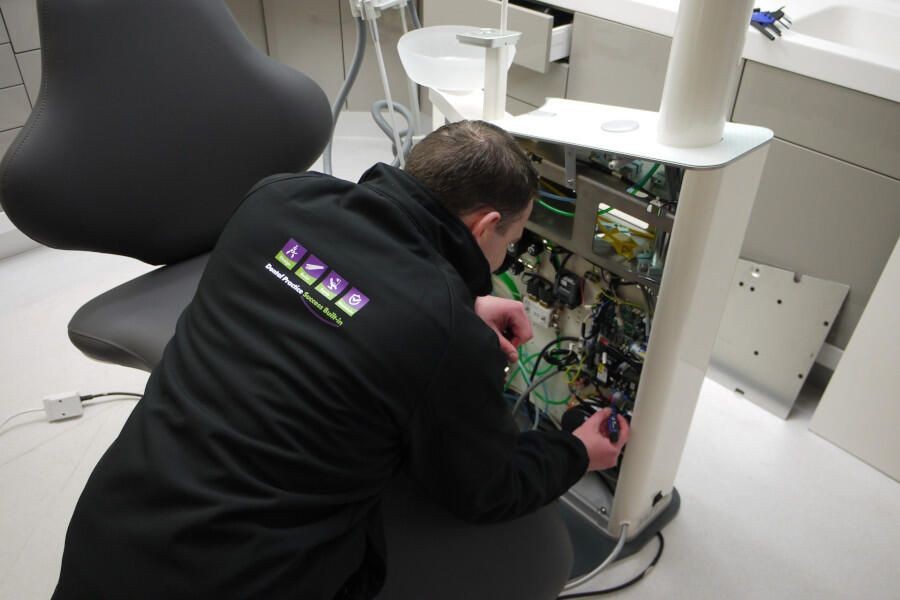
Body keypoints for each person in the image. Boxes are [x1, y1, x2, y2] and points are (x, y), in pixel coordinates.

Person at [52, 120, 630, 600]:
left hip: (108, 539)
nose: (509, 253)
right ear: (485, 225)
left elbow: (338, 294)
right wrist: (579, 450)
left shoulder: (277, 198)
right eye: (513, 239)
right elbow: (486, 489)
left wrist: (453, 306)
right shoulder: (444, 335)